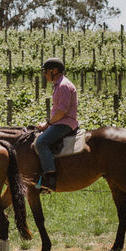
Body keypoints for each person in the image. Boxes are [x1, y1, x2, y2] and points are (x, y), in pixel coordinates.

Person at [34, 57, 78, 193]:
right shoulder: (59, 84)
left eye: (46, 71)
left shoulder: (63, 86)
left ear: (54, 71)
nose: (44, 74)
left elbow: (62, 111)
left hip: (64, 123)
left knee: (40, 143)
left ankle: (50, 178)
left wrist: (47, 124)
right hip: (60, 122)